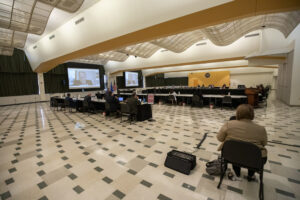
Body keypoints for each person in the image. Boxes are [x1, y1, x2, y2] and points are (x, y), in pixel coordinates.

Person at [216, 104, 267, 181]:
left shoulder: (229, 124)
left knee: (235, 150)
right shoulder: (261, 129)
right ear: (252, 114)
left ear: (237, 113)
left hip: (232, 156)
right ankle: (251, 175)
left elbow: (220, 138)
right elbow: (264, 143)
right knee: (251, 152)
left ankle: (237, 174)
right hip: (254, 160)